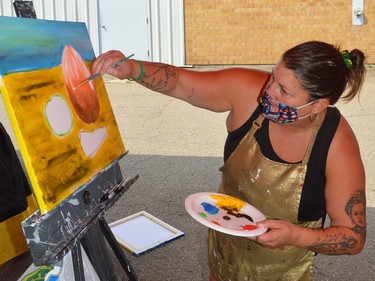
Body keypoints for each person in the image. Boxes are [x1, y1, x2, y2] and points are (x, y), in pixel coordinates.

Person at [92, 41, 367, 280]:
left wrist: (296, 236)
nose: (269, 92)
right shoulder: (249, 91)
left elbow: (352, 238)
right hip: (225, 249)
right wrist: (133, 69)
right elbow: (181, 83)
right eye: (273, 77)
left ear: (318, 105)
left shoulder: (336, 142)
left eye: (284, 91)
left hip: (286, 268)